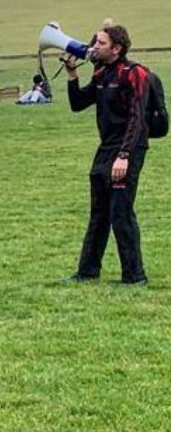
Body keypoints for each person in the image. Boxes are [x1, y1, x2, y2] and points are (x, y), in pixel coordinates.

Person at [64, 23, 150, 286]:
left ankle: (135, 277)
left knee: (120, 213)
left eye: (101, 43)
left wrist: (124, 155)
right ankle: (88, 271)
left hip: (129, 147)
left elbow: (138, 117)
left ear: (117, 48)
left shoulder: (134, 73)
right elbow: (78, 104)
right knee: (99, 213)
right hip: (105, 149)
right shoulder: (102, 74)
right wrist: (71, 75)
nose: (94, 46)